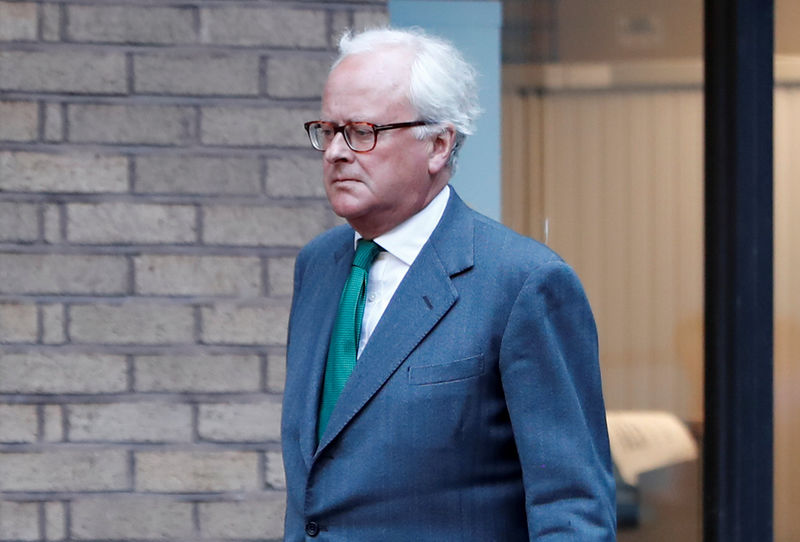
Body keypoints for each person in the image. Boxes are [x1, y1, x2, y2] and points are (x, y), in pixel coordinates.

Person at [281, 27, 616, 541]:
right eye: (328, 130)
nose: (335, 153)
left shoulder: (523, 283)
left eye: (362, 131)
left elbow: (571, 510)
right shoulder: (319, 266)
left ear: (439, 143)